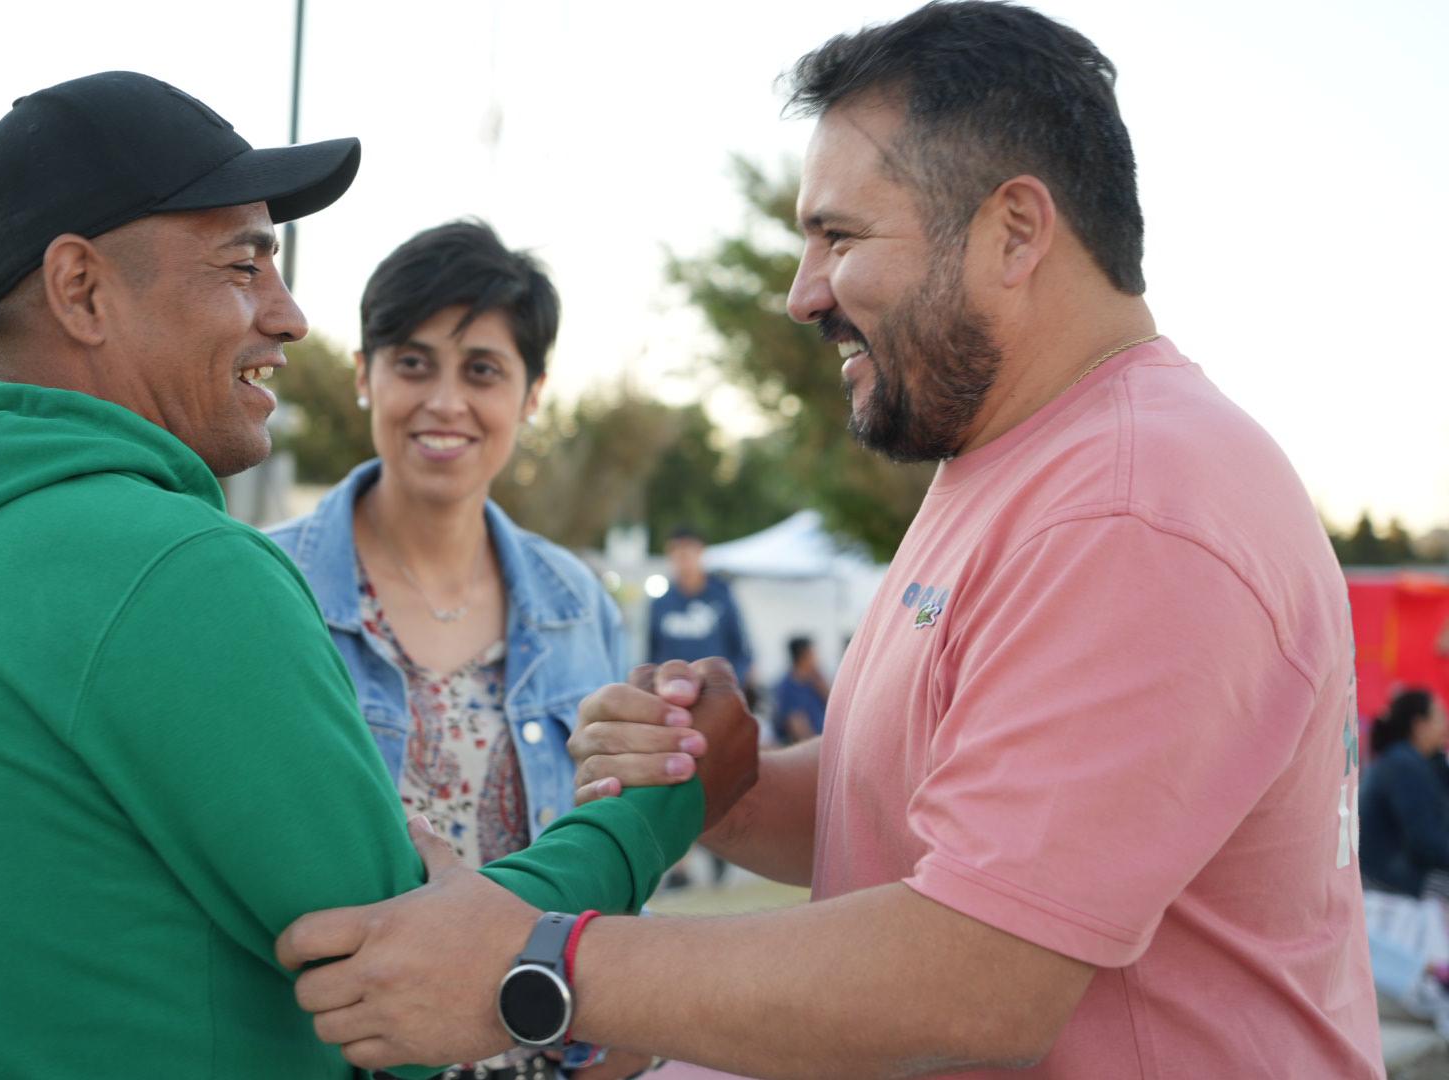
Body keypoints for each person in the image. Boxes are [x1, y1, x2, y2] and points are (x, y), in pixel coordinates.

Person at [273, 4, 1383, 1077]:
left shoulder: (1131, 510)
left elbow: (972, 979)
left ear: (1012, 231)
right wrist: (728, 783)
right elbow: (942, 830)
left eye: (838, 238)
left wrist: (526, 965)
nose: (803, 296)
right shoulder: (1019, 466)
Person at [0, 71, 756, 1080]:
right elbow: (409, 993)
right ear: (81, 289)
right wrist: (659, 803)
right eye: (243, 265)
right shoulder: (175, 567)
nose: (288, 316)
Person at [266, 220, 662, 1080]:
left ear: (530, 395)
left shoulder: (578, 606)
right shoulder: (265, 587)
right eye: (413, 363)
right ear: (366, 376)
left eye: (482, 370)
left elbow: (611, 856)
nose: (445, 401)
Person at [1360, 689, 1449, 898]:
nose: (1446, 725)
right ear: (1419, 726)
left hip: (1400, 878)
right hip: (1390, 886)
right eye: (1440, 718)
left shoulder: (1420, 762)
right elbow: (1425, 838)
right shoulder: (1402, 764)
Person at [647, 524, 752, 686]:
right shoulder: (661, 603)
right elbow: (652, 653)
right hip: (673, 694)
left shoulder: (721, 597)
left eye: (688, 553)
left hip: (715, 692)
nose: (684, 561)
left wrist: (730, 684)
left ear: (701, 552)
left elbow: (741, 650)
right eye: (677, 554)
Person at [770, 635, 828, 745]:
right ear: (804, 656)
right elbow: (800, 731)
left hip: (823, 740)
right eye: (813, 654)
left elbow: (835, 706)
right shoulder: (787, 688)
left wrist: (822, 685)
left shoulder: (814, 679)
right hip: (813, 747)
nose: (818, 658)